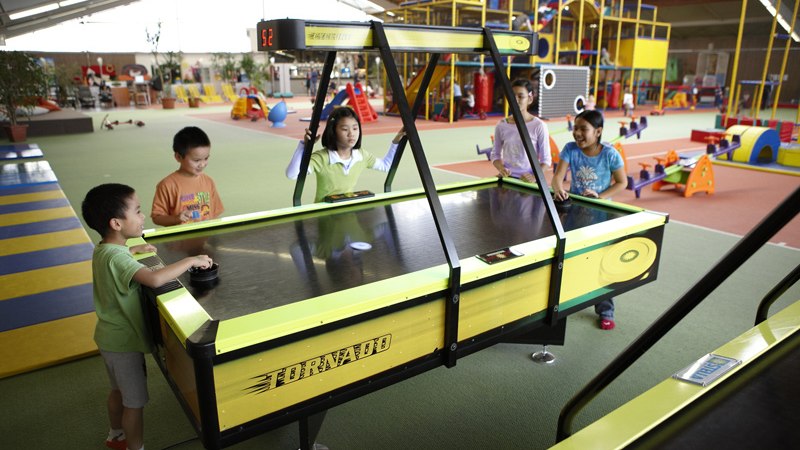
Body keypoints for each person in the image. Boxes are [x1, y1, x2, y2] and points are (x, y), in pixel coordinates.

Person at [81, 183, 213, 450]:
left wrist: (132, 251)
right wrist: (191, 261)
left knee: (117, 391)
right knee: (134, 403)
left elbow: (116, 259)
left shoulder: (105, 250)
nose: (143, 217)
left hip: (109, 339)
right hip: (124, 345)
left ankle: (115, 435)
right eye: (138, 211)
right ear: (117, 223)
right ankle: (135, 447)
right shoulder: (118, 259)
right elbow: (153, 279)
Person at [551, 110, 626, 330]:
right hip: (575, 216)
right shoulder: (570, 149)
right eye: (575, 128)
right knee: (571, 260)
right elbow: (557, 177)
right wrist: (558, 189)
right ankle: (567, 301)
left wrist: (599, 197)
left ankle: (606, 310)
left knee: (601, 264)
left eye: (583, 129)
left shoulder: (610, 154)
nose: (577, 133)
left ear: (598, 131)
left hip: (602, 219)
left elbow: (622, 182)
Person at [285, 106, 405, 203]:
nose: (351, 134)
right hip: (323, 214)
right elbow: (292, 174)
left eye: (355, 128)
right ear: (333, 131)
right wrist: (304, 146)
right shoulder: (322, 158)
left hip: (347, 210)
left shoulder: (361, 155)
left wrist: (396, 141)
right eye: (344, 129)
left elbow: (387, 166)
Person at [151, 126, 224, 226]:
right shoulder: (166, 185)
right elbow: (157, 218)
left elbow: (214, 214)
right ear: (178, 157)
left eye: (206, 158)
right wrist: (176, 219)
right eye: (196, 160)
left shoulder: (208, 181)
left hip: (206, 238)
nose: (202, 164)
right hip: (180, 240)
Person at [490, 78, 551, 183]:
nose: (515, 100)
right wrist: (501, 168)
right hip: (508, 180)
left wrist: (534, 177)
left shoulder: (539, 126)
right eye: (512, 96)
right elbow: (495, 154)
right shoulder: (501, 125)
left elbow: (546, 160)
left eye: (521, 96)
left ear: (530, 99)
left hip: (528, 182)